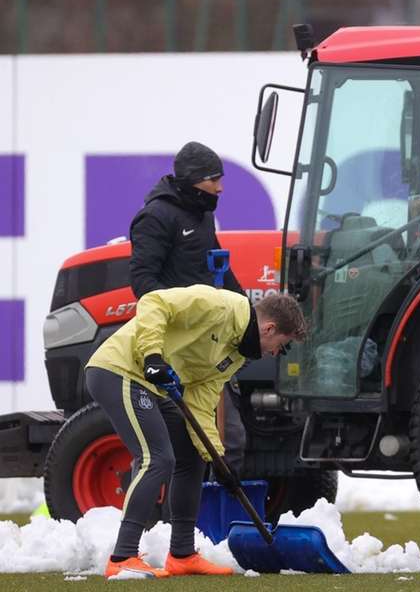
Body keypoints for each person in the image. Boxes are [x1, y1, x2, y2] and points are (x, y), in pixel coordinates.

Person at [85, 286, 305, 578]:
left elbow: (201, 401)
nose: (277, 353)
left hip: (153, 388)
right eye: (283, 345)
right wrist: (152, 356)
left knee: (191, 457)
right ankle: (122, 557)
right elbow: (154, 302)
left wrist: (217, 457)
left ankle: (182, 554)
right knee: (158, 459)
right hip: (120, 370)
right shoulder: (220, 306)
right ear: (269, 328)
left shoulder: (237, 356)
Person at [129, 141, 248, 476]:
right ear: (193, 180)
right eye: (213, 179)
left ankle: (207, 519)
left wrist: (248, 311)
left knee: (231, 441)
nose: (220, 187)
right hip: (175, 345)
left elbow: (219, 269)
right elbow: (142, 281)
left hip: (207, 342)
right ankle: (168, 519)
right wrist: (183, 312)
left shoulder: (203, 214)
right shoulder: (155, 217)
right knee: (177, 442)